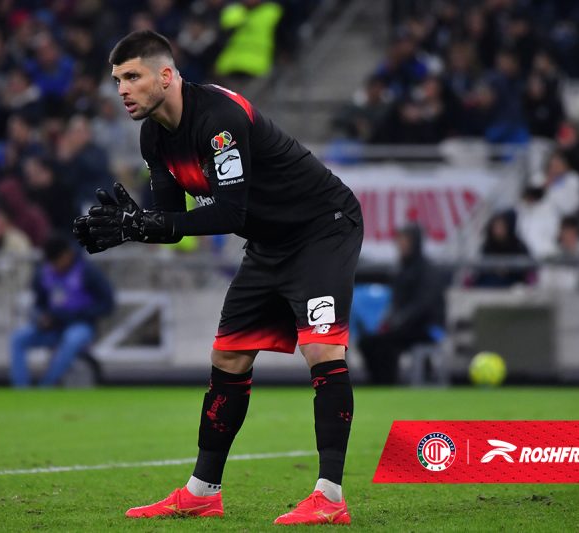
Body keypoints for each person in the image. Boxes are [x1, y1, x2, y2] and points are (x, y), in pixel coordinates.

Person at [73, 30, 362, 525]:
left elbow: (227, 212)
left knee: (322, 348)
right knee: (228, 355)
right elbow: (168, 223)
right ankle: (203, 491)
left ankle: (330, 496)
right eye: (117, 79)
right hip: (269, 243)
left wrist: (147, 223)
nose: (122, 88)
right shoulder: (154, 137)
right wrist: (131, 227)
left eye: (133, 76)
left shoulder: (220, 120)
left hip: (322, 228)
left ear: (166, 75)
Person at [9, 233, 114, 387]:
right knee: (18, 338)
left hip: (81, 325)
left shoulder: (87, 272)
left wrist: (76, 315)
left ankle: (47, 386)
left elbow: (107, 304)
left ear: (67, 255)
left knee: (72, 339)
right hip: (53, 327)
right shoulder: (44, 273)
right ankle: (21, 389)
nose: (54, 266)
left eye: (56, 261)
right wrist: (41, 318)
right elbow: (39, 304)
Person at [357, 225, 445, 384]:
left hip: (426, 327)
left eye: (405, 241)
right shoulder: (401, 270)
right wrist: (391, 321)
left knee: (386, 344)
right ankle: (378, 381)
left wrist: (400, 321)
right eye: (400, 241)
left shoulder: (428, 271)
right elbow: (395, 303)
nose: (401, 245)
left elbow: (424, 305)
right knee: (367, 342)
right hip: (403, 327)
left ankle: (389, 382)